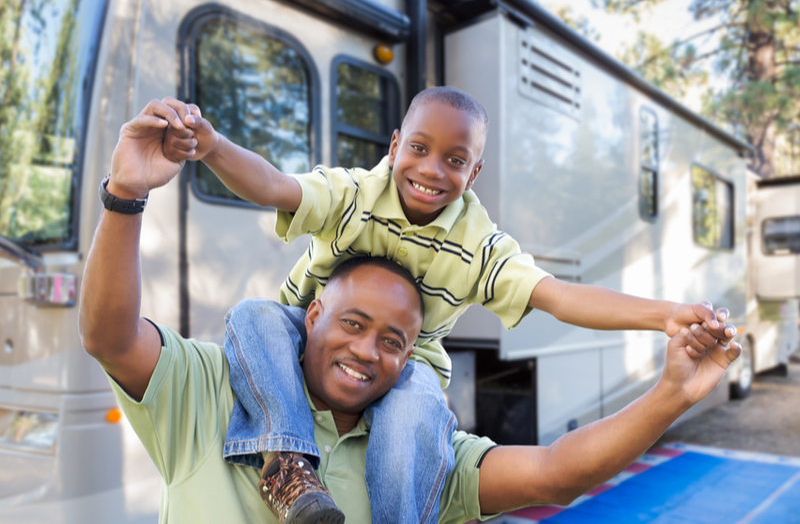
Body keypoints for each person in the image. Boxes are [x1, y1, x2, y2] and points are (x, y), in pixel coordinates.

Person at [78, 99, 741, 524]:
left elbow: (560, 309)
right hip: (278, 340)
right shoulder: (210, 394)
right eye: (353, 325)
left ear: (474, 173)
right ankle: (286, 459)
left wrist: (665, 326)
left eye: (456, 159)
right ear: (395, 145)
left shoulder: (475, 255)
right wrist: (197, 154)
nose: (367, 349)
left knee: (419, 400)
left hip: (418, 381)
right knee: (252, 314)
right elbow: (274, 186)